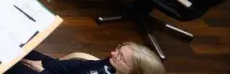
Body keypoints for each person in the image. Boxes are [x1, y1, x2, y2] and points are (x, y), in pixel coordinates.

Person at [13, 42, 165, 74]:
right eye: (119, 49)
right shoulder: (112, 64)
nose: (113, 53)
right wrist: (47, 63)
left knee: (11, 66)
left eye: (120, 57)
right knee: (19, 49)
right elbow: (80, 66)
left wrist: (43, 71)